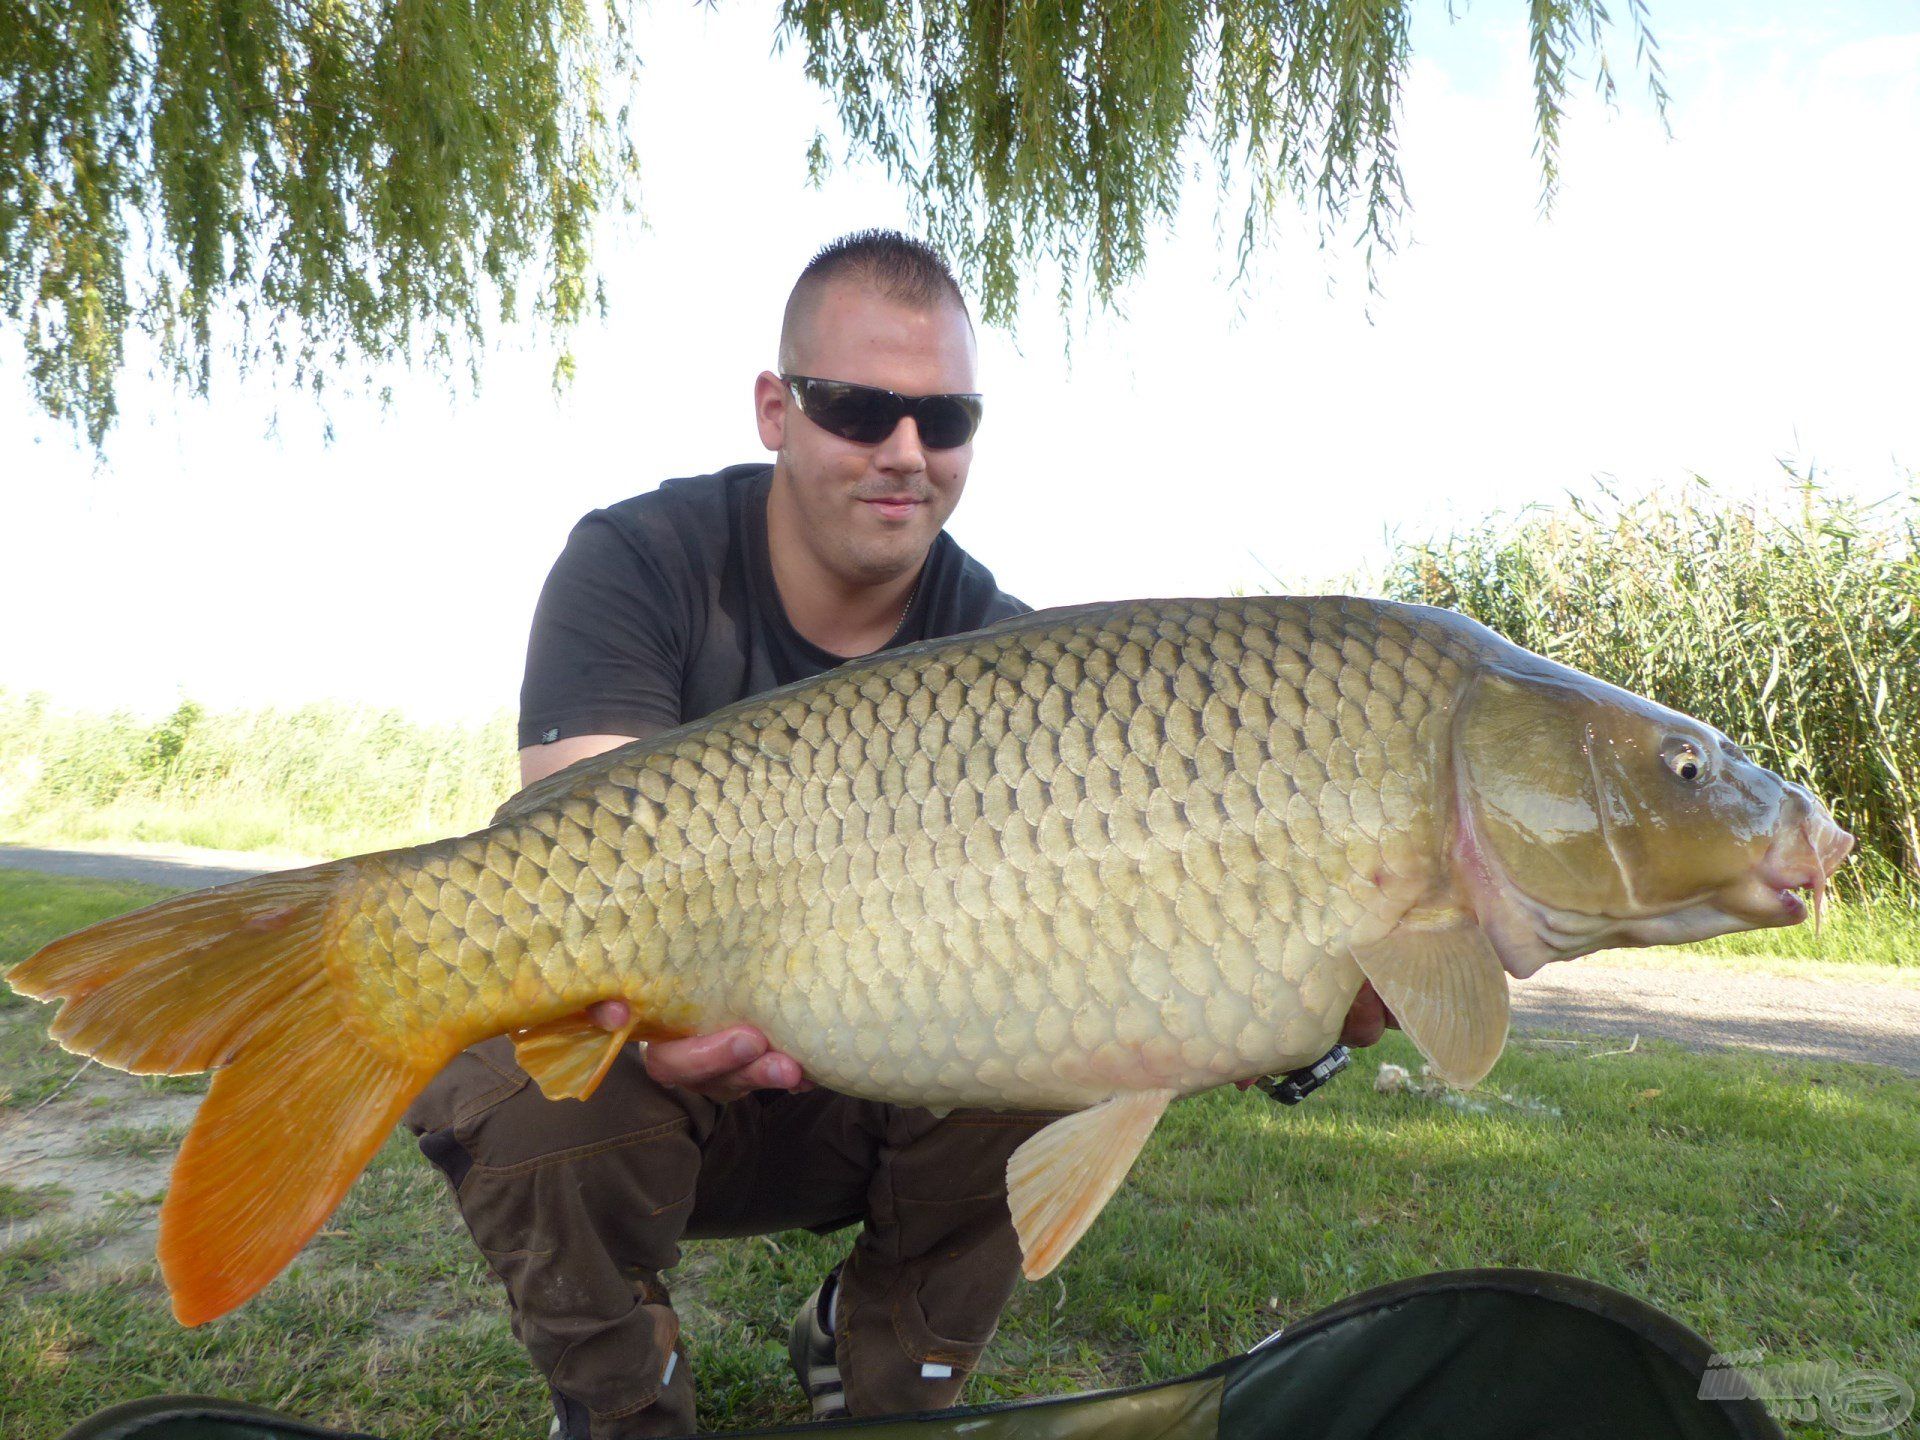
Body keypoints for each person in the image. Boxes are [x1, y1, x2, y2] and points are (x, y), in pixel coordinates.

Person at [404, 229, 1398, 1439]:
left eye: (946, 419)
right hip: (669, 1074)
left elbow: (1132, 936)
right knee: (518, 1076)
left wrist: (1292, 1013)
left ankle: (889, 1368)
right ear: (777, 408)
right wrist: (648, 1020)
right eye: (859, 408)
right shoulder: (642, 562)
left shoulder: (1007, 649)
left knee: (1071, 1037)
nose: (906, 454)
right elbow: (575, 852)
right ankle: (620, 1398)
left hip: (874, 1084)